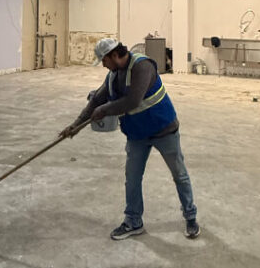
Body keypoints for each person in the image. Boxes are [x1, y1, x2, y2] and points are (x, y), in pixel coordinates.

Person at [61, 37, 200, 240]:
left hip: (164, 130)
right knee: (132, 179)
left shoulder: (142, 67)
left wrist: (105, 109)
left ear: (114, 55)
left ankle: (190, 217)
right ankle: (133, 221)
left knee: (179, 174)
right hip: (137, 135)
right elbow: (97, 100)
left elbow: (133, 101)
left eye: (104, 60)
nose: (103, 65)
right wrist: (75, 126)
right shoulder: (113, 75)